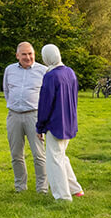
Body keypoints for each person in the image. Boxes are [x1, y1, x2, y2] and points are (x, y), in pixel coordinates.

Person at [36, 43, 84, 201]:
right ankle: (75, 188)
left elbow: (45, 103)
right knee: (61, 156)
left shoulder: (51, 76)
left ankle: (62, 196)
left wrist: (40, 126)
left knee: (54, 160)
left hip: (55, 123)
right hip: (69, 121)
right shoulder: (69, 72)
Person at [3, 42, 48, 194]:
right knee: (16, 154)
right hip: (14, 115)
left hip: (34, 116)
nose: (28, 57)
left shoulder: (43, 71)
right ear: (17, 56)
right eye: (24, 54)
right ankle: (20, 187)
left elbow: (48, 96)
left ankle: (42, 188)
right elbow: (7, 91)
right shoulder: (9, 70)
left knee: (39, 154)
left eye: (30, 54)